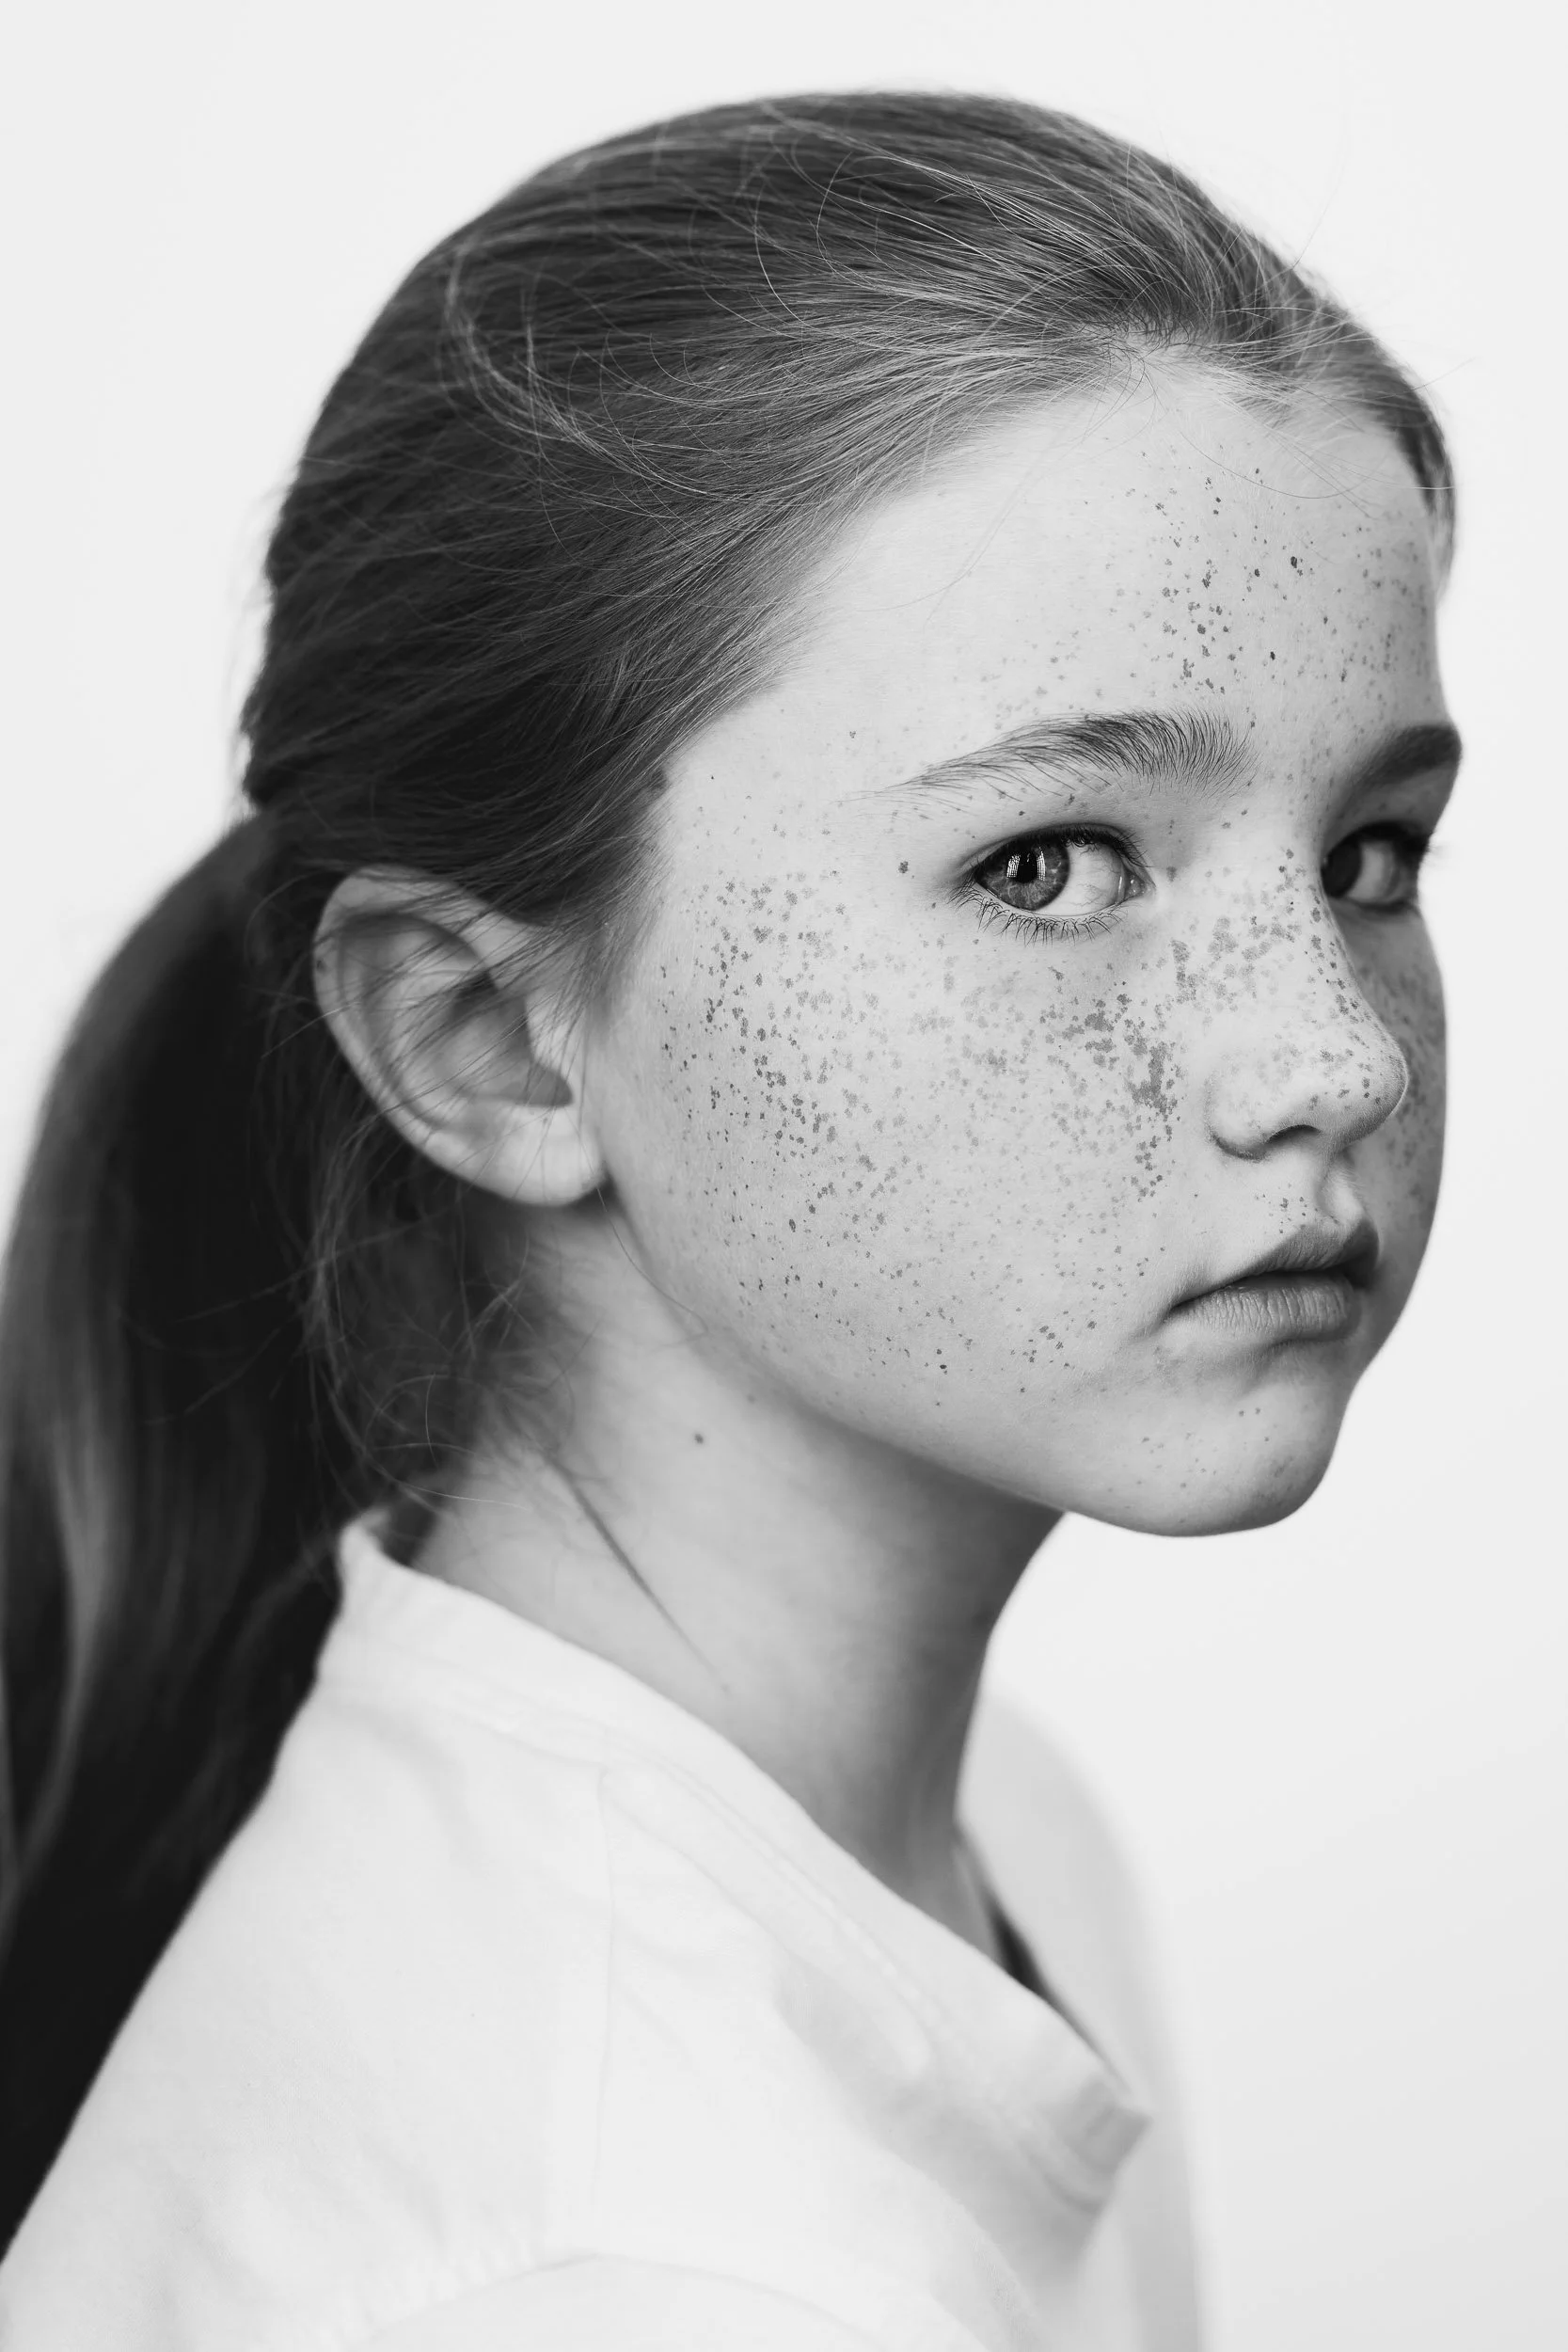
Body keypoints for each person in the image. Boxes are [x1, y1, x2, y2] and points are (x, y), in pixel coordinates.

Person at [0, 89, 1457, 2350]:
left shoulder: (981, 1843)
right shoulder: (626, 2276)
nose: (1332, 1056)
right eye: (1046, 863)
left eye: (1368, 854)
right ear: (485, 1037)